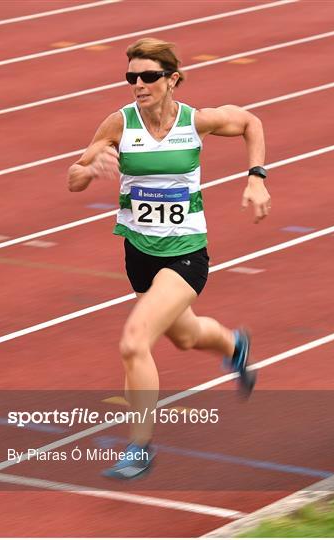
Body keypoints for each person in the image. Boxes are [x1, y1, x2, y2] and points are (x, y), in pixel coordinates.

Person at [67, 38, 271, 480]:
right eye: (131, 78)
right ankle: (235, 345)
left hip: (185, 254)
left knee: (134, 341)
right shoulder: (119, 123)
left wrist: (256, 178)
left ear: (172, 79)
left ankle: (140, 448)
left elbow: (251, 121)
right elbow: (74, 177)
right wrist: (90, 168)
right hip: (138, 253)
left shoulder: (196, 121)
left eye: (149, 77)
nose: (138, 85)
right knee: (186, 335)